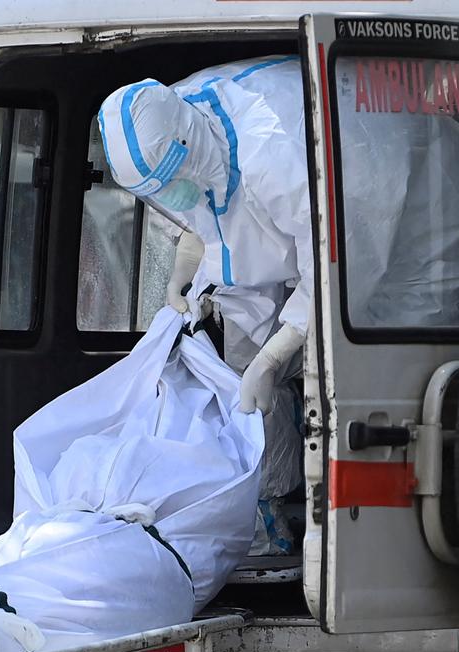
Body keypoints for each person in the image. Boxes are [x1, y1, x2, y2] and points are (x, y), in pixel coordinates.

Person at [99, 56, 313, 415]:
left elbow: (336, 266)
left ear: (186, 149)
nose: (165, 196)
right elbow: (209, 210)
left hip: (399, 256)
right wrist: (187, 263)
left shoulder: (270, 155)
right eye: (154, 191)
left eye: (167, 184)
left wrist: (275, 355)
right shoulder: (179, 118)